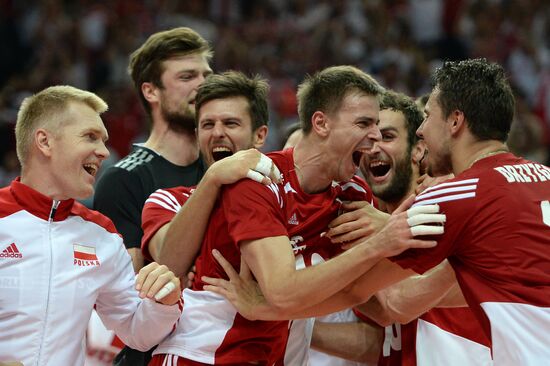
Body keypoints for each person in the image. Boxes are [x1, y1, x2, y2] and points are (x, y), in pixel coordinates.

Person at [208, 59, 550, 365]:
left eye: (428, 115)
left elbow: (392, 301)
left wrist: (264, 308)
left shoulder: (457, 195)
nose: (421, 129)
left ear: (456, 121)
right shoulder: (544, 179)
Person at [152, 65, 444, 365]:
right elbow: (282, 291)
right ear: (321, 123)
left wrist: (454, 255)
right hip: (203, 354)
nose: (374, 137)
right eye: (364, 124)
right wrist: (379, 244)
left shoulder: (352, 194)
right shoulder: (258, 180)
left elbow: (380, 302)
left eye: (378, 126)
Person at [0, 86, 183, 366]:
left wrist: (165, 303)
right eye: (90, 137)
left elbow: (136, 331)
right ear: (45, 142)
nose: (104, 152)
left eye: (104, 140)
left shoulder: (102, 234)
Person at [313, 90, 491, 366]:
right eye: (367, 139)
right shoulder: (358, 228)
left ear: (418, 149)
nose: (373, 148)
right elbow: (382, 340)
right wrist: (293, 324)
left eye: (387, 136)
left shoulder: (449, 198)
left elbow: (395, 305)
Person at [92, 27, 212, 365]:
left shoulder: (223, 167)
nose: (202, 84)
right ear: (151, 91)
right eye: (187, 76)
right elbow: (128, 295)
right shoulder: (124, 179)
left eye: (207, 74)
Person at [141, 71, 277, 278]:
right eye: (208, 125)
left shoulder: (284, 197)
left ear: (259, 136)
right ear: (197, 136)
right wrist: (213, 177)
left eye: (231, 123)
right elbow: (169, 267)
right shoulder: (168, 201)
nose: (217, 133)